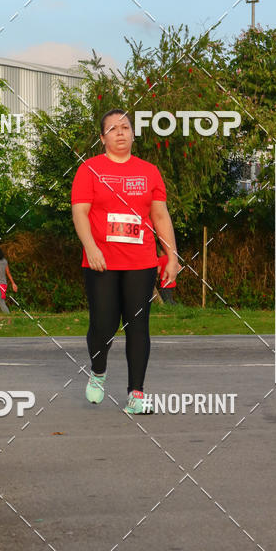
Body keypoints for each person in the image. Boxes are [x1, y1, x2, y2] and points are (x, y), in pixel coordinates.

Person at [71, 108, 178, 415]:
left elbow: (159, 215)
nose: (121, 132)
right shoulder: (89, 170)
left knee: (138, 326)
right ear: (103, 137)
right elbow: (80, 212)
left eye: (126, 127)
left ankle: (137, 394)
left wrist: (171, 255)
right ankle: (99, 370)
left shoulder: (149, 172)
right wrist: (90, 247)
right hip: (101, 260)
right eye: (113, 128)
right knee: (103, 326)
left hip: (140, 261)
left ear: (133, 134)